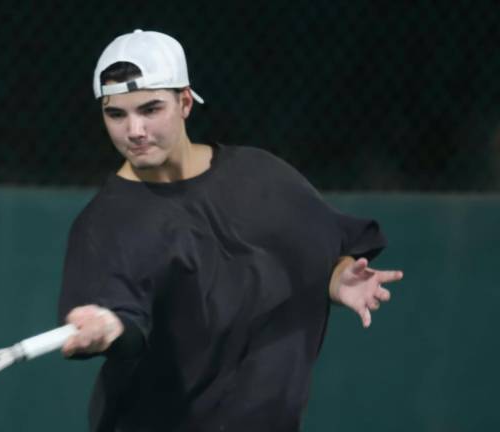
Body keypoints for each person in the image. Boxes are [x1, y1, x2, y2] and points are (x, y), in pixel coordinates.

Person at [57, 29, 403, 432]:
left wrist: (336, 275)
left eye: (150, 109)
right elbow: (124, 319)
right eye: (116, 114)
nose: (134, 130)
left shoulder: (261, 176)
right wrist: (109, 328)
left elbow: (326, 244)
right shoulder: (104, 225)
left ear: (185, 102)